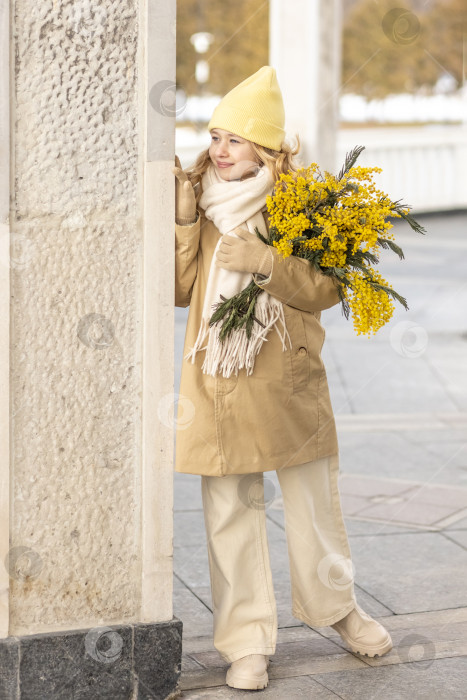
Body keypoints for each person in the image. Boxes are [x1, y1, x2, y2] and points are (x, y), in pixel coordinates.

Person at [173, 66, 392, 691]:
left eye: (236, 139)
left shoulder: (300, 203)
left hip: (288, 379)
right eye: (215, 135)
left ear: (267, 149)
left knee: (313, 505)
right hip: (217, 385)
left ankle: (340, 612)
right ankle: (245, 644)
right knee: (229, 514)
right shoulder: (202, 200)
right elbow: (177, 288)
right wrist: (188, 223)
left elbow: (326, 289)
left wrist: (266, 261)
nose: (220, 149)